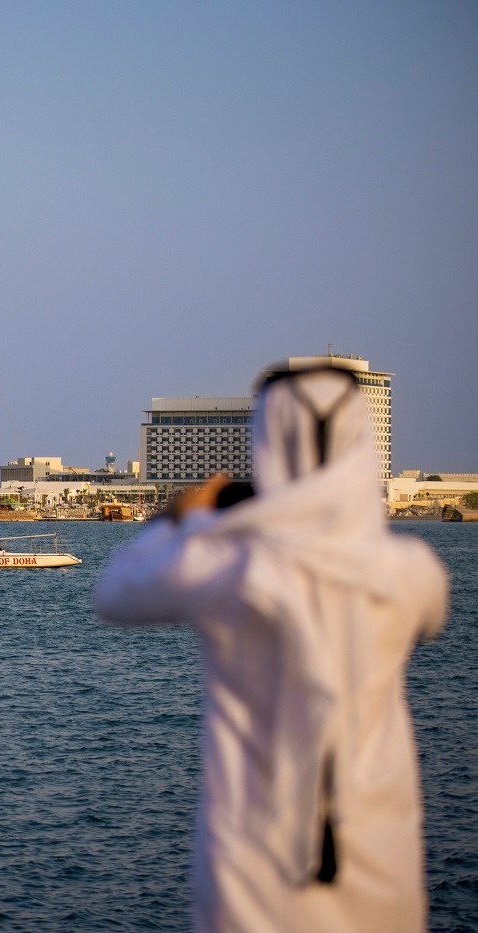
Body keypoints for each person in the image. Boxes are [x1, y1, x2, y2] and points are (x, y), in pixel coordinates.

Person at [92, 364, 449, 932]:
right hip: (381, 873)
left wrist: (191, 515)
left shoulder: (226, 565)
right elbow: (432, 611)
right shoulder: (409, 572)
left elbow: (114, 592)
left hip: (254, 876)